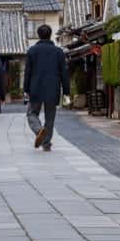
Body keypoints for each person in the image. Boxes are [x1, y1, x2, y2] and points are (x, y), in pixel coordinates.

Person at [23, 24, 70, 152]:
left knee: (31, 113)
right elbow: (64, 73)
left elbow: (27, 72)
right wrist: (66, 91)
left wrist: (26, 89)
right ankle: (46, 143)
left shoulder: (32, 51)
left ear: (38, 35)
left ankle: (39, 130)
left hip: (35, 88)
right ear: (50, 35)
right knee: (50, 117)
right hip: (53, 88)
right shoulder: (59, 52)